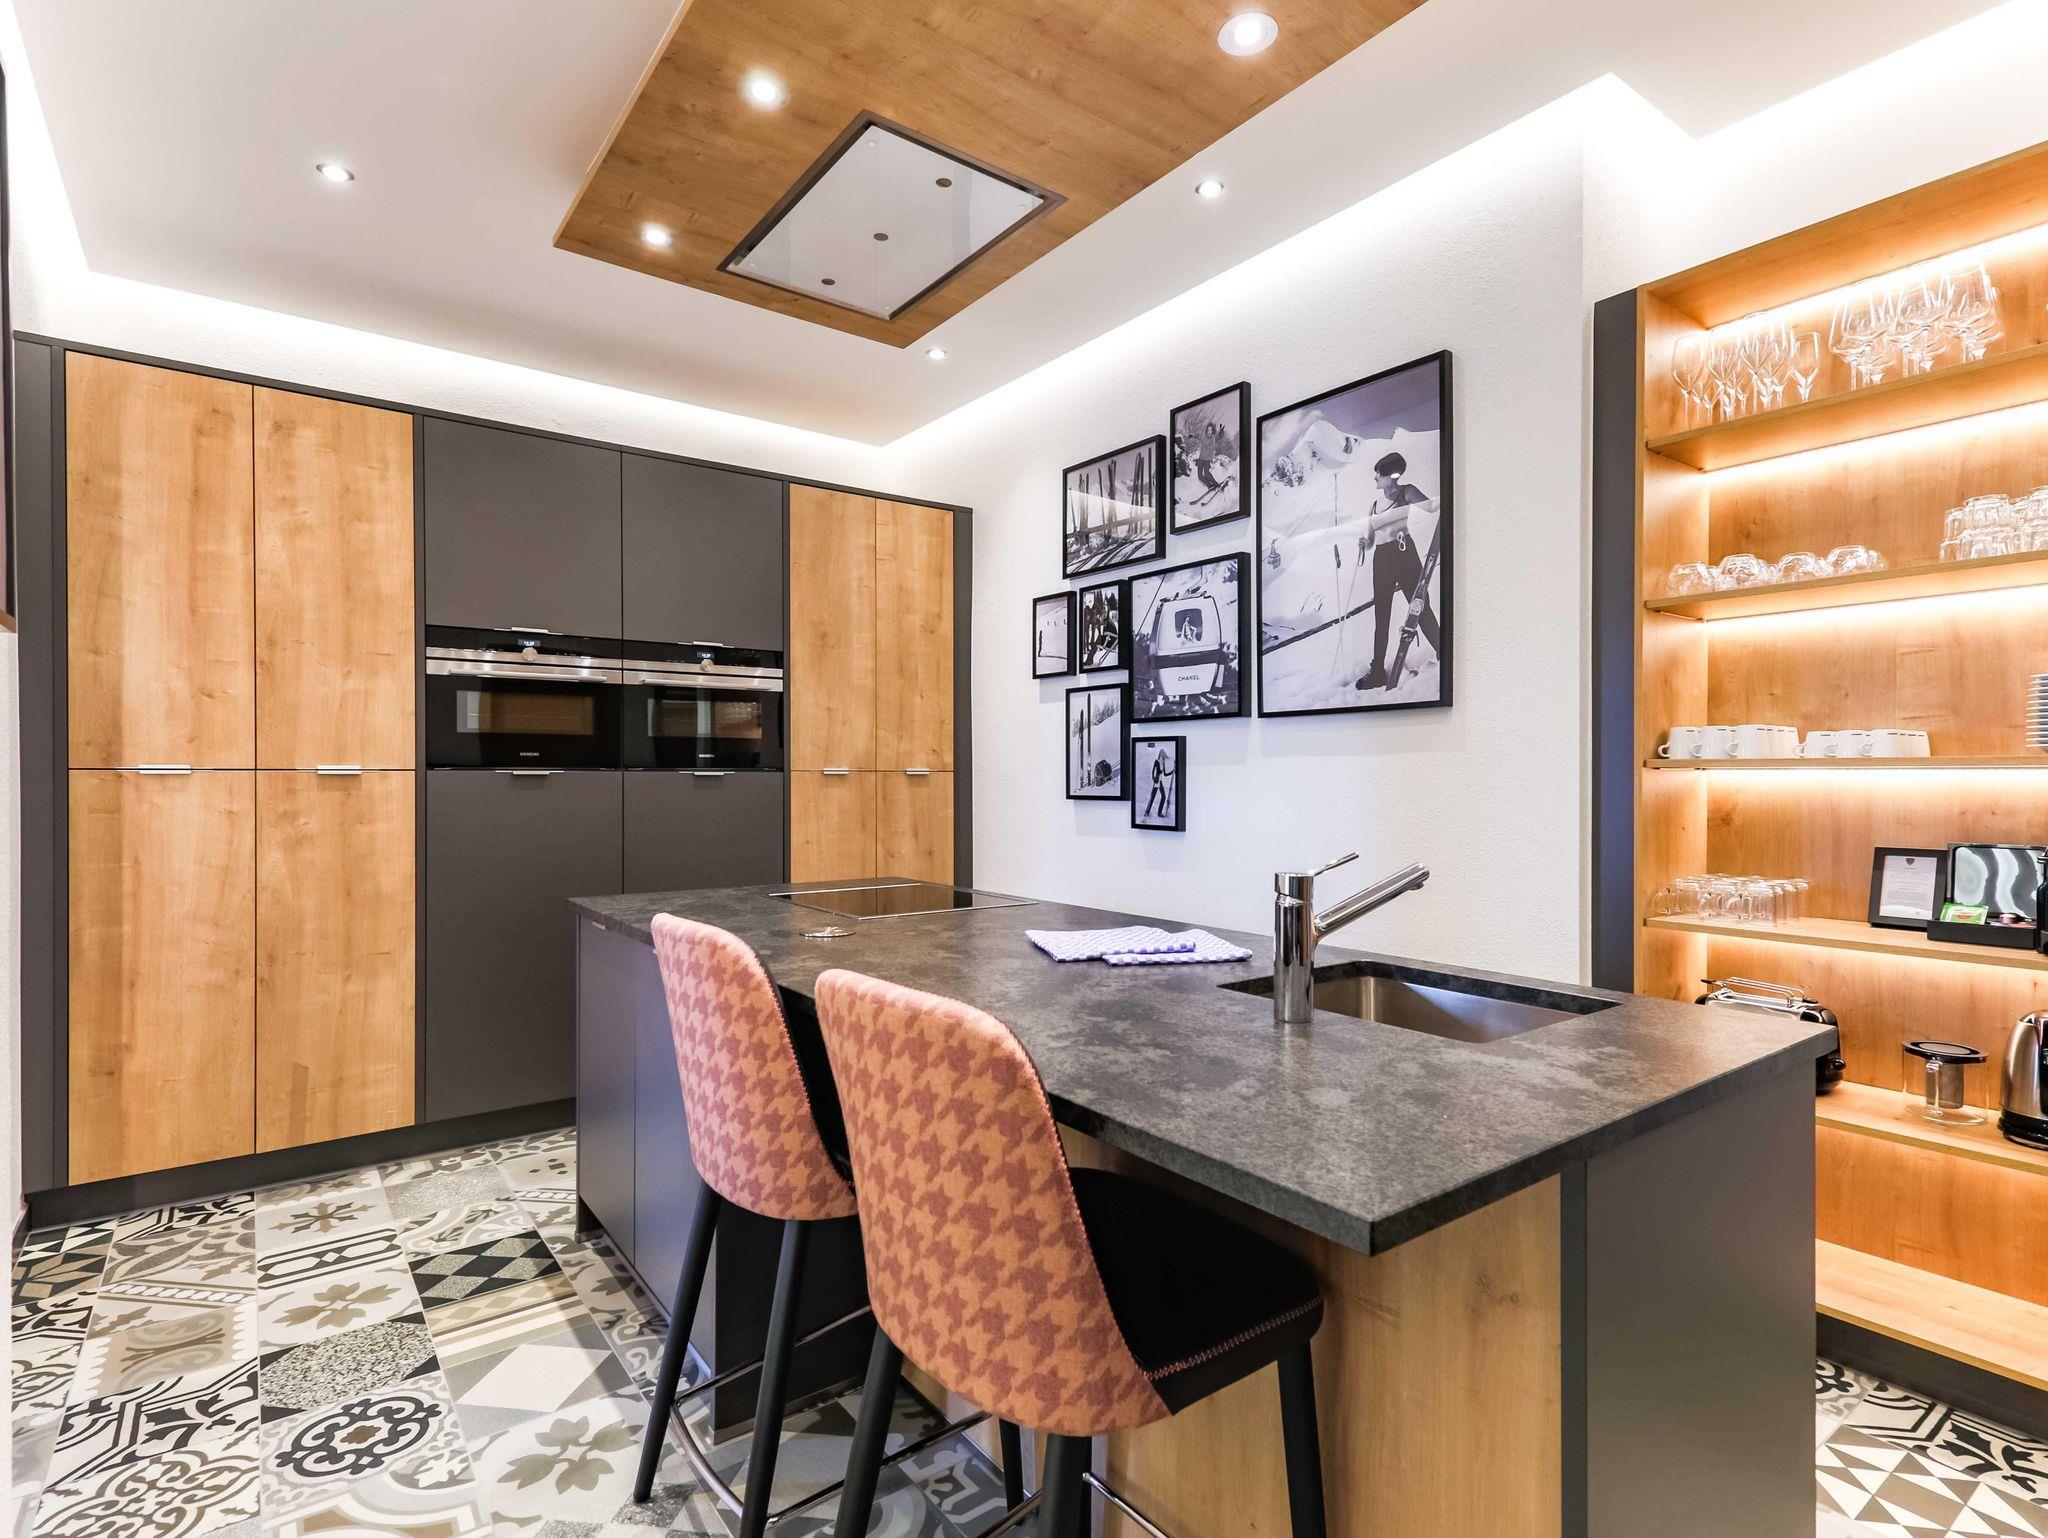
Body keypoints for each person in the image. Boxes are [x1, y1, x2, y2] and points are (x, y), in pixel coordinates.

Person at [1352, 451, 1441, 692]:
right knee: (1381, 616)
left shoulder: (1406, 492)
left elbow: (1432, 507)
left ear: (1390, 475)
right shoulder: (1374, 506)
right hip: (1381, 559)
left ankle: (1444, 651)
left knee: (1420, 607)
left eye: (1378, 474)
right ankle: (1377, 671)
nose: (1375, 479)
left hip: (1404, 554)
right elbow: (1371, 541)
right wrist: (1364, 543)